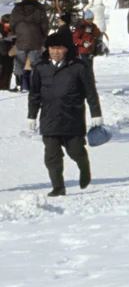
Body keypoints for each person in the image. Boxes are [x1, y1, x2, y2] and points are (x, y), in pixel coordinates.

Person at [28, 28, 104, 196]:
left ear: (67, 49)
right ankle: (58, 187)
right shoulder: (41, 68)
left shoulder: (79, 67)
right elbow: (34, 94)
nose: (55, 52)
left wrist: (96, 114)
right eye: (52, 48)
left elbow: (90, 92)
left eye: (59, 48)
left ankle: (84, 166)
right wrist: (31, 115)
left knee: (75, 151)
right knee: (51, 156)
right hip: (49, 119)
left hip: (72, 118)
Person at [11, 0, 47, 94]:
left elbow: (12, 23)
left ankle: (19, 85)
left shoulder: (17, 8)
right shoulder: (40, 9)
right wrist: (43, 37)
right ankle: (33, 86)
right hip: (36, 40)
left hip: (21, 39)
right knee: (34, 63)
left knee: (19, 62)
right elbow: (44, 25)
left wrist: (15, 33)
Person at [0, 13, 14, 92]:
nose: (8, 25)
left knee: (8, 70)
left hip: (9, 53)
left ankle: (5, 87)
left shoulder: (13, 29)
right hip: (1, 53)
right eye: (7, 23)